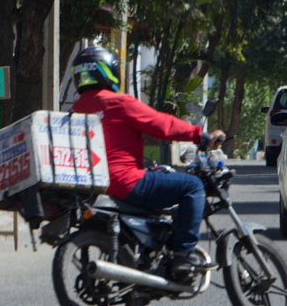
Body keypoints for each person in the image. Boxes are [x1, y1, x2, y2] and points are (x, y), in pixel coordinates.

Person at [71, 46, 225, 278]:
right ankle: (183, 255)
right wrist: (201, 136)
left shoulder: (75, 109)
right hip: (126, 182)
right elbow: (160, 124)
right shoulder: (118, 102)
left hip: (92, 187)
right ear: (108, 72)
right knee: (193, 186)